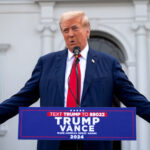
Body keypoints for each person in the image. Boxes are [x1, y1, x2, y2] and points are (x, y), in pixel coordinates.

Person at [0, 11, 150, 150]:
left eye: (75, 28)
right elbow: (22, 98)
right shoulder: (47, 63)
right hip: (55, 143)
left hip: (94, 143)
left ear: (87, 31)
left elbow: (133, 99)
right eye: (66, 30)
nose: (70, 34)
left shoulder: (108, 63)